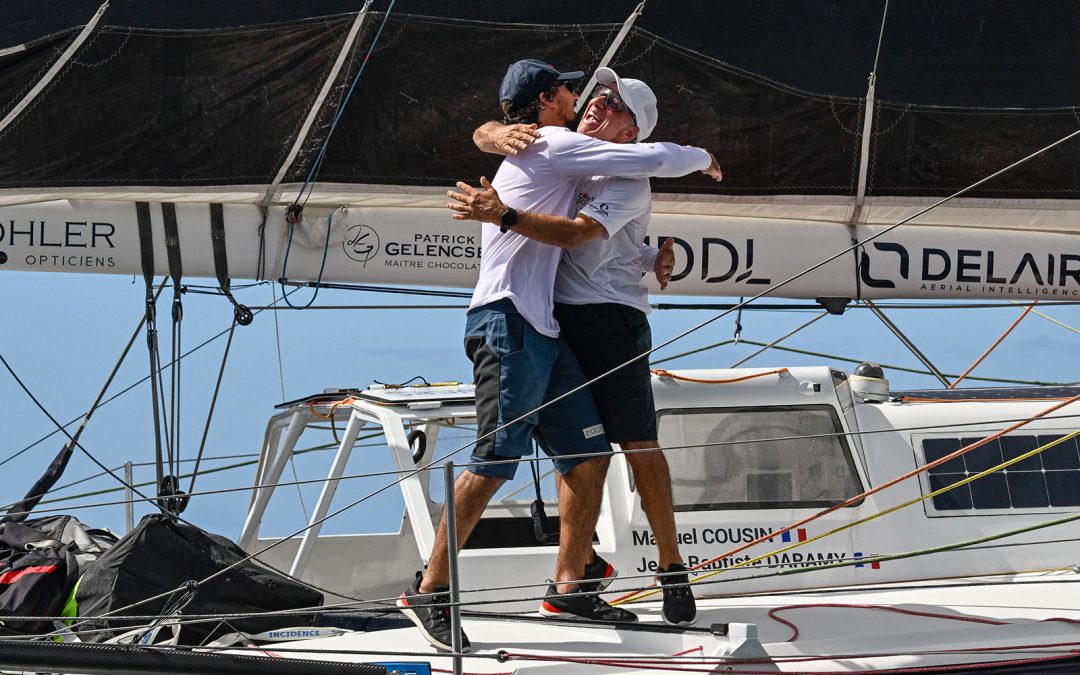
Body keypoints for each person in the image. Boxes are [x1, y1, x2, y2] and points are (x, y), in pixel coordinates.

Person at [398, 59, 718, 652]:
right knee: (496, 459)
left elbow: (606, 222)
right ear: (550, 99)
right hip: (508, 317)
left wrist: (649, 257)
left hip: (546, 326)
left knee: (590, 453)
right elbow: (650, 164)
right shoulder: (556, 145)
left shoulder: (566, 154)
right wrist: (704, 156)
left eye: (611, 102)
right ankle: (430, 588)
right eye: (582, 92)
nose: (591, 99)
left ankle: (574, 587)